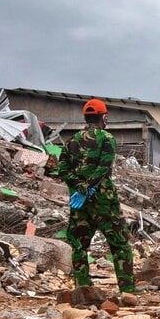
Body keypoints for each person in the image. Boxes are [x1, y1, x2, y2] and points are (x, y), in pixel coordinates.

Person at [56, 99, 135, 292]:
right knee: (120, 243)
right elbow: (103, 167)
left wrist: (78, 187)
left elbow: (63, 169)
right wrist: (88, 187)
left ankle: (83, 287)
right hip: (104, 201)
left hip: (79, 203)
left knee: (79, 244)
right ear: (104, 117)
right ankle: (127, 290)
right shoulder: (107, 138)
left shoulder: (71, 141)